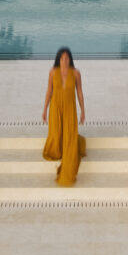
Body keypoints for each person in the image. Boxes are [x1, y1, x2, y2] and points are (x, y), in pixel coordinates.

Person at [41, 47, 86, 187]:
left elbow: (79, 92)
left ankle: (68, 168)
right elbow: (49, 91)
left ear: (70, 59)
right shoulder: (53, 72)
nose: (64, 61)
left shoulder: (76, 73)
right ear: (58, 59)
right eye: (62, 58)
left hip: (70, 109)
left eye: (67, 58)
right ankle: (57, 151)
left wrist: (83, 110)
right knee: (55, 133)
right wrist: (44, 109)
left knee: (70, 136)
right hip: (55, 107)